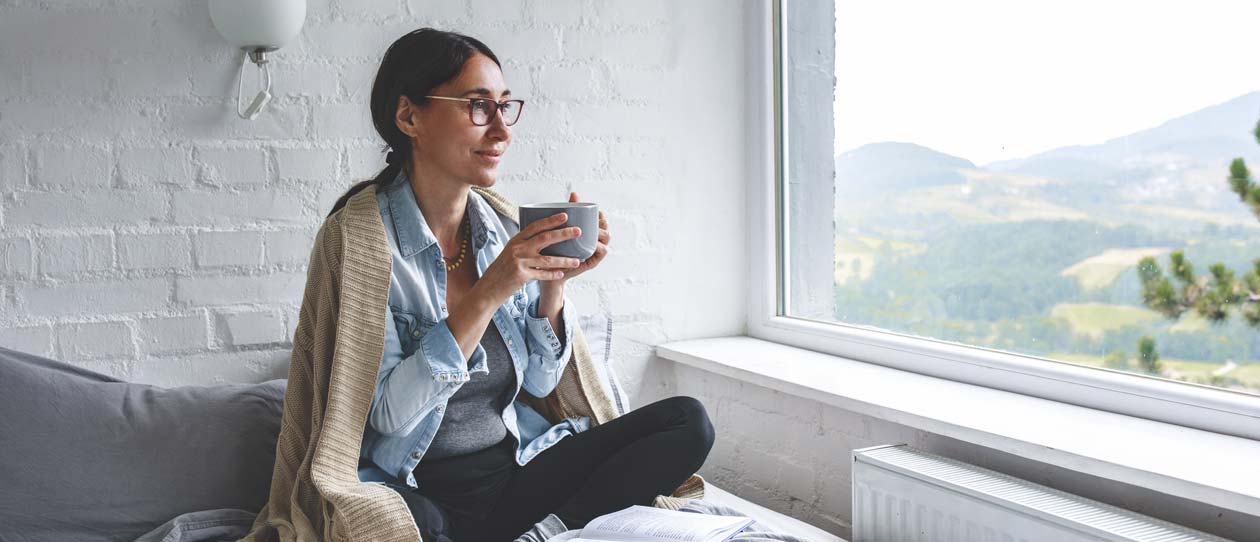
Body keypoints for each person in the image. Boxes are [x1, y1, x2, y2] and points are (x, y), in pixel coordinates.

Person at [323, 28, 716, 541]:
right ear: (409, 117)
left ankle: (548, 532)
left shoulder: (499, 230)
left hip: (511, 476)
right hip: (418, 488)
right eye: (477, 106)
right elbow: (387, 417)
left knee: (688, 421)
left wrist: (554, 286)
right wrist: (491, 288)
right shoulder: (363, 244)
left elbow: (539, 386)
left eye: (505, 107)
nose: (502, 131)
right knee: (392, 529)